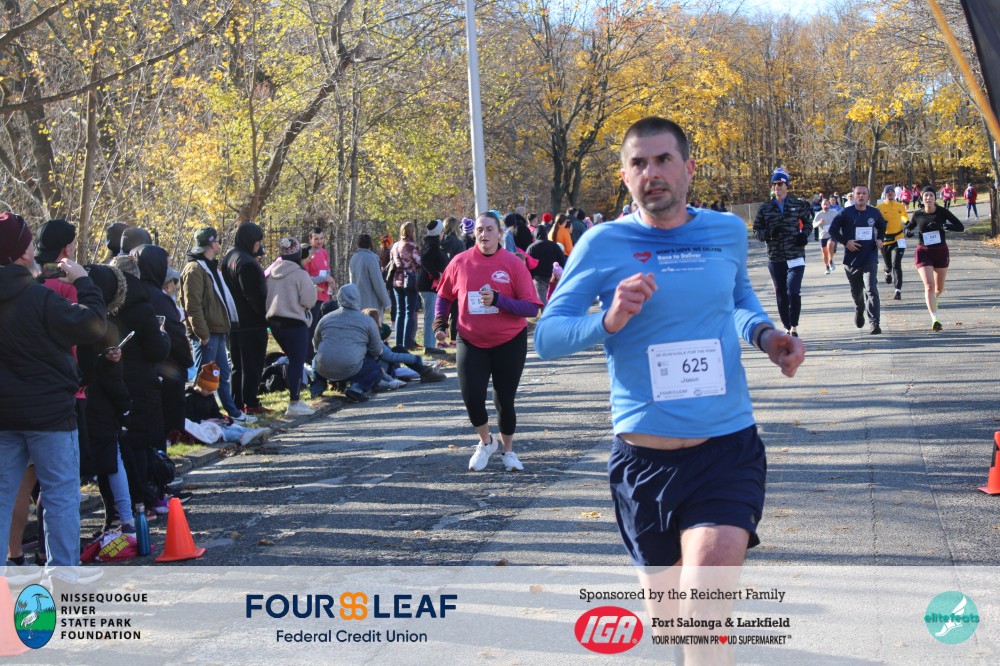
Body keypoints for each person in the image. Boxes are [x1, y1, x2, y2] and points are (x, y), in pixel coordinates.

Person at [533, 118, 804, 661]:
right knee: (674, 629)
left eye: (663, 160)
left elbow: (737, 299)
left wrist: (766, 336)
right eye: (638, 163)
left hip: (725, 450)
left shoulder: (726, 231)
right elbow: (547, 337)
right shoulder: (603, 242)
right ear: (625, 176)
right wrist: (607, 320)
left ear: (688, 168)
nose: (651, 173)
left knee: (704, 617)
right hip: (644, 464)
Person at [0, 212, 107, 578]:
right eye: (30, 242)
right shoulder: (39, 299)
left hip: (4, 415)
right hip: (50, 414)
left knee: (3, 495)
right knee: (60, 494)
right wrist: (84, 282)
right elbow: (93, 325)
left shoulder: (34, 294)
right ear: (23, 253)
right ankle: (62, 574)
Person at [432, 212, 541, 472]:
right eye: (480, 229)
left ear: (500, 233)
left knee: (504, 400)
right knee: (472, 398)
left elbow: (531, 308)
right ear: (474, 233)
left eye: (490, 229)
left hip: (508, 341)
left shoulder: (513, 264)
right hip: (470, 339)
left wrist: (499, 300)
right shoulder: (460, 262)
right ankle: (486, 442)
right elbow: (444, 295)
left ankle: (508, 452)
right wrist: (440, 323)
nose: (484, 234)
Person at [179, 227, 254, 423]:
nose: (219, 244)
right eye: (218, 241)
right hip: (207, 333)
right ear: (211, 243)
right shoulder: (195, 269)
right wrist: (202, 334)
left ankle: (233, 413)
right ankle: (199, 417)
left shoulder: (210, 267)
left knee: (221, 374)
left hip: (218, 330)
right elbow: (192, 306)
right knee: (203, 379)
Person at [752, 167, 813, 337]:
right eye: (774, 184)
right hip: (776, 256)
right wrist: (768, 234)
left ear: (787, 186)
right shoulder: (765, 208)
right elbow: (756, 231)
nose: (776, 187)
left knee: (793, 291)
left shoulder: (797, 205)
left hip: (795, 255)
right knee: (781, 293)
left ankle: (794, 326)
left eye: (780, 184)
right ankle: (786, 326)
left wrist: (804, 235)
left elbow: (808, 223)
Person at [265, 237, 318, 416]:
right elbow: (309, 300)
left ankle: (295, 399)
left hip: (275, 322)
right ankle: (294, 402)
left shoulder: (272, 273)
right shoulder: (300, 274)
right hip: (294, 322)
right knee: (297, 361)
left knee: (291, 359)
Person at [222, 223, 269, 415]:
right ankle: (250, 402)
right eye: (258, 242)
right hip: (250, 322)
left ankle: (238, 401)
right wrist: (265, 314)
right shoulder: (247, 263)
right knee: (252, 364)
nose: (259, 245)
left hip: (233, 321)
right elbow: (253, 295)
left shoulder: (229, 257)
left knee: (238, 365)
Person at [828, 185, 887, 334]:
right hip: (852, 259)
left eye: (864, 193)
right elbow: (832, 230)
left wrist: (880, 239)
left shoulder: (874, 212)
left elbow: (882, 225)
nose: (861, 196)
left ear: (868, 196)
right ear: (854, 196)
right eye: (858, 193)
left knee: (871, 288)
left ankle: (874, 323)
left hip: (870, 256)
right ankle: (859, 309)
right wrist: (846, 242)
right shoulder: (845, 213)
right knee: (857, 291)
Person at [905, 187, 965, 331]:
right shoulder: (918, 214)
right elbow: (909, 227)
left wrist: (943, 226)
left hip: (940, 252)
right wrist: (908, 231)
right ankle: (935, 318)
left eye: (931, 195)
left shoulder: (942, 212)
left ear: (935, 198)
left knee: (939, 288)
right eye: (925, 195)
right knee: (929, 286)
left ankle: (934, 299)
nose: (928, 198)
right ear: (922, 198)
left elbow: (960, 227)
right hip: (923, 252)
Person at [313, 284, 385, 403]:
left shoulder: (325, 319)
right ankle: (357, 388)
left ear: (339, 298)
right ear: (358, 298)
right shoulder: (367, 321)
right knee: (375, 369)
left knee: (317, 359)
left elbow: (316, 344)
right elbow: (376, 349)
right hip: (351, 367)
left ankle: (317, 387)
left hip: (324, 367)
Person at [185, 363, 272, 445]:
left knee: (231, 426)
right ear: (201, 385)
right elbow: (189, 418)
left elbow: (215, 411)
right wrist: (206, 420)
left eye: (212, 391)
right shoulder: (190, 397)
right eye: (208, 390)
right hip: (203, 424)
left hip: (214, 421)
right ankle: (241, 437)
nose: (210, 392)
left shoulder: (210, 396)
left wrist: (221, 418)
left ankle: (250, 432)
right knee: (222, 431)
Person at [390, 221, 422, 350]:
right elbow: (420, 261)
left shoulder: (395, 245)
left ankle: (398, 342)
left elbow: (392, 261)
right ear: (411, 232)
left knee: (400, 312)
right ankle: (407, 342)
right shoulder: (412, 246)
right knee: (410, 312)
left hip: (397, 280)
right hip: (410, 280)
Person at [417, 220, 448, 355]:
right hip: (429, 285)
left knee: (431, 315)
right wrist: (436, 275)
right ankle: (429, 346)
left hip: (428, 285)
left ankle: (430, 344)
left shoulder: (430, 243)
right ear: (439, 233)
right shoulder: (432, 245)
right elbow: (425, 260)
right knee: (430, 316)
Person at [348, 233, 391, 323]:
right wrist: (386, 303)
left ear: (357, 245)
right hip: (371, 305)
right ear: (370, 245)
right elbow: (378, 283)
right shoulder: (371, 259)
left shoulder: (353, 258)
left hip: (357, 303)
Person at [876, 185, 909, 301]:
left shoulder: (900, 206)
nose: (890, 193)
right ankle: (887, 272)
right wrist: (880, 222)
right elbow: (874, 221)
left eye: (892, 191)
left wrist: (908, 224)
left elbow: (904, 216)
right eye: (888, 192)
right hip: (885, 240)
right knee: (889, 265)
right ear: (884, 194)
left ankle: (898, 290)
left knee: (896, 264)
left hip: (899, 238)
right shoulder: (879, 208)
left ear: (895, 194)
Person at [525, 225, 566, 308]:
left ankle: (546, 314)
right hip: (554, 277)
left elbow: (528, 264)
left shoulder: (531, 247)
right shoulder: (554, 245)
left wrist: (530, 277)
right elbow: (562, 260)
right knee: (556, 299)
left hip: (539, 278)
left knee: (543, 300)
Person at [812, 197, 839, 273]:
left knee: (830, 245)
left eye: (827, 204)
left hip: (832, 234)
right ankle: (827, 266)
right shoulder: (819, 214)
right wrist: (819, 222)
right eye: (824, 204)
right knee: (824, 252)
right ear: (821, 205)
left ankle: (830, 260)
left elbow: (839, 220)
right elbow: (814, 225)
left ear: (829, 205)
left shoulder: (834, 212)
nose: (825, 206)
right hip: (823, 235)